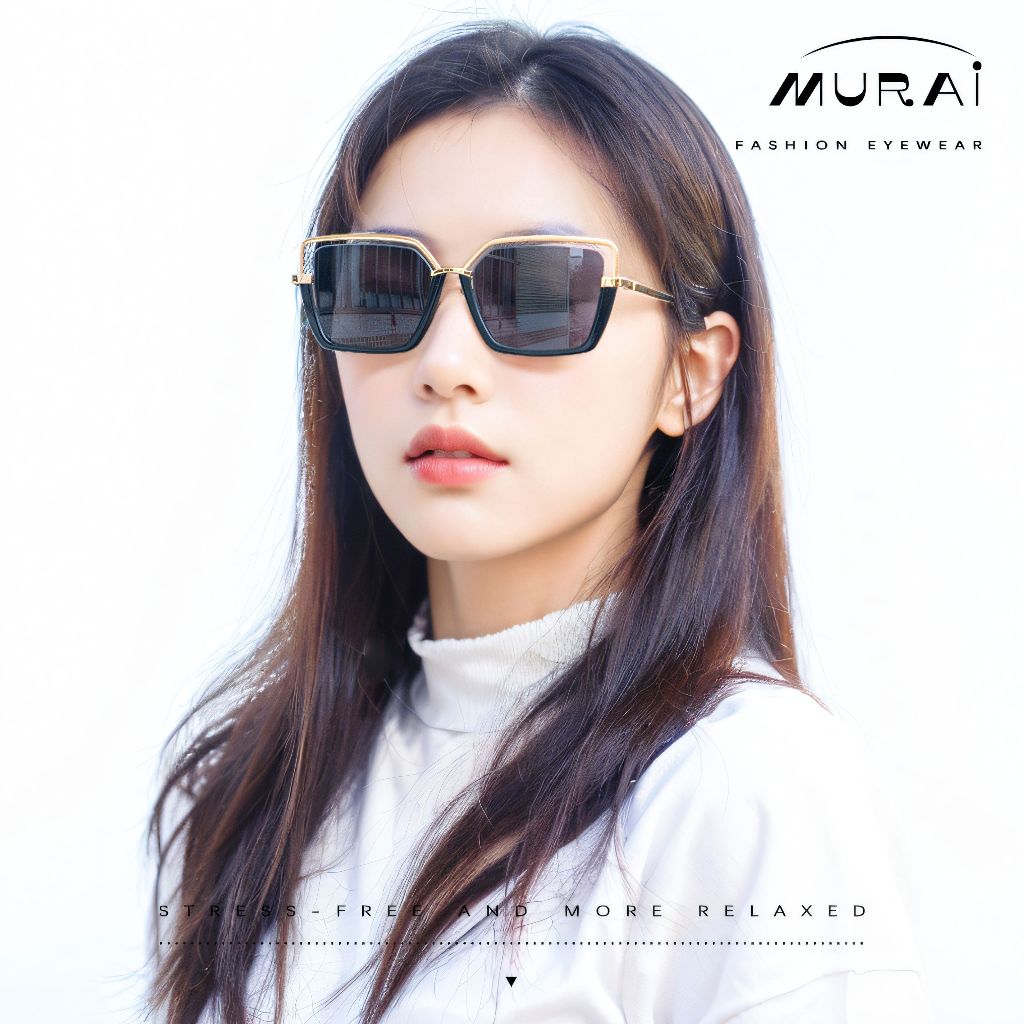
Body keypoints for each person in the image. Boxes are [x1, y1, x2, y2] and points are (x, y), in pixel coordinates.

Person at [141, 18, 931, 1024]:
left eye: (538, 292)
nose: (443, 362)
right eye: (383, 285)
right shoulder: (255, 787)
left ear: (691, 373)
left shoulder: (746, 788)